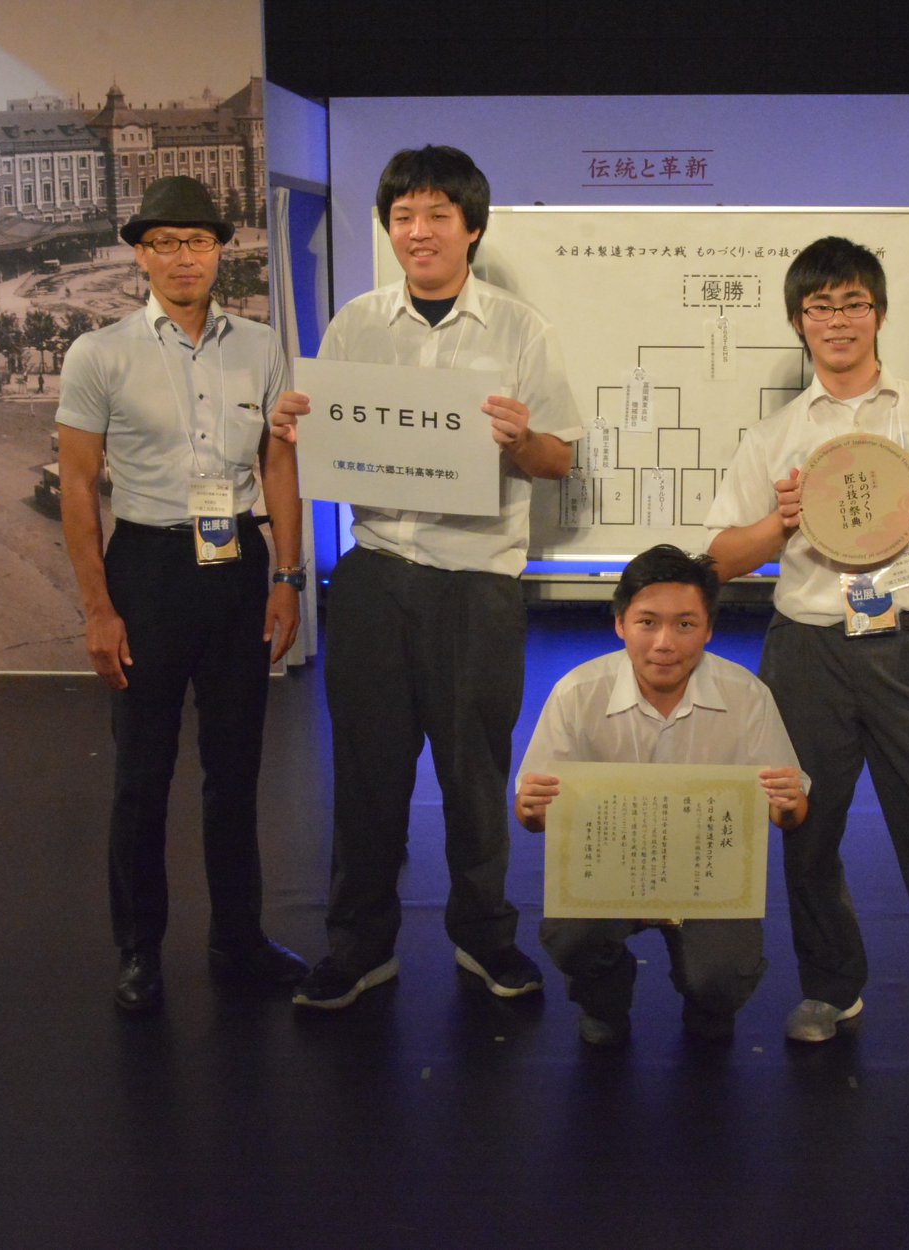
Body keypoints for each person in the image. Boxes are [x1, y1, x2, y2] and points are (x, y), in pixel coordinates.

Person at [704, 236, 909, 1069]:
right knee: (806, 828)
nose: (838, 320)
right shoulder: (776, 434)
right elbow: (721, 555)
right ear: (799, 323)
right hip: (805, 650)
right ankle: (831, 985)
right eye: (819, 307)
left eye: (853, 303)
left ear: (880, 313)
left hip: (902, 646)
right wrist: (781, 522)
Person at [272, 145, 583, 1010]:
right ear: (388, 227)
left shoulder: (520, 331)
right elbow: (326, 436)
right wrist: (299, 424)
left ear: (471, 228)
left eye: (438, 215)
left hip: (475, 583)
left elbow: (558, 458)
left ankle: (485, 938)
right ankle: (358, 947)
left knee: (474, 774)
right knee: (366, 775)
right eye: (403, 216)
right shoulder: (357, 324)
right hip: (374, 574)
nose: (419, 231)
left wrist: (520, 440)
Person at [56, 175, 309, 1014]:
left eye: (197, 241)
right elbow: (78, 486)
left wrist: (286, 577)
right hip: (149, 570)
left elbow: (279, 465)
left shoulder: (261, 346)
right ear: (140, 255)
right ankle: (139, 950)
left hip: (236, 568)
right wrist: (99, 609)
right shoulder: (99, 354)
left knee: (234, 773)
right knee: (142, 775)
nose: (182, 258)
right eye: (163, 243)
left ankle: (238, 939)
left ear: (220, 251)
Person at [516, 545, 808, 1046]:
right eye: (647, 623)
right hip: (611, 868)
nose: (664, 643)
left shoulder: (747, 695)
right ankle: (604, 1002)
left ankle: (708, 1004)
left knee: (722, 971)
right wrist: (530, 809)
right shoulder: (576, 692)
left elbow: (792, 813)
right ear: (620, 624)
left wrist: (788, 804)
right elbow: (533, 816)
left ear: (709, 629)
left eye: (685, 624)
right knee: (571, 935)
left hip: (705, 874)